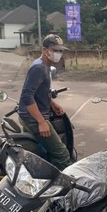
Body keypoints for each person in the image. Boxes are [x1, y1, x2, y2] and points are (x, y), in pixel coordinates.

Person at [18, 34, 71, 170]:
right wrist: (41, 122)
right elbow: (27, 96)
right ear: (45, 50)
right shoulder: (39, 68)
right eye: (55, 50)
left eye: (60, 50)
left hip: (29, 116)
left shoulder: (45, 66)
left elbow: (40, 92)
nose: (59, 54)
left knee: (39, 153)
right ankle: (62, 187)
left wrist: (52, 104)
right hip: (34, 119)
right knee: (62, 154)